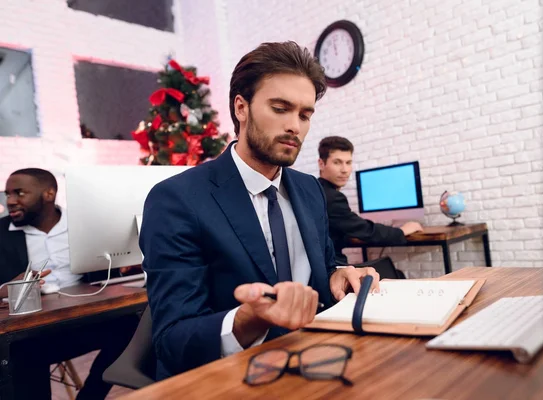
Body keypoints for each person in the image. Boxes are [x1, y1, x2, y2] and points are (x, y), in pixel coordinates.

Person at [140, 41, 380, 380]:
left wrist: (337, 274)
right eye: (280, 108)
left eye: (304, 114)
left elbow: (322, 267)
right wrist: (251, 317)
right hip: (229, 377)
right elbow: (172, 341)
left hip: (314, 360)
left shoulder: (310, 190)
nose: (295, 126)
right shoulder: (176, 200)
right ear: (241, 107)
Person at [0, 168, 137, 399]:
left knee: (134, 323)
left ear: (48, 194)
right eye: (8, 194)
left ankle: (91, 396)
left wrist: (128, 264)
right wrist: (4, 289)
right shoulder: (2, 232)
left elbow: (108, 270)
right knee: (21, 360)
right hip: (29, 332)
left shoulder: (83, 225)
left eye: (19, 193)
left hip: (83, 320)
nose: (10, 201)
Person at [317, 136, 423, 264]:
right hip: (331, 269)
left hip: (322, 266)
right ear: (321, 164)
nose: (345, 170)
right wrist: (402, 231)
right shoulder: (332, 197)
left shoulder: (317, 190)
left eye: (348, 163)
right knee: (391, 269)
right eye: (337, 162)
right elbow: (365, 230)